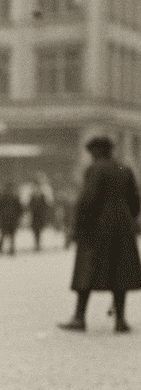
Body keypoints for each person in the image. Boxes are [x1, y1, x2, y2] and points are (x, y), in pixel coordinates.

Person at [59, 135, 141, 333]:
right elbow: (136, 200)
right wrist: (126, 218)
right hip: (122, 228)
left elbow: (87, 200)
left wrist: (77, 228)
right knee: (119, 272)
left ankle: (79, 318)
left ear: (96, 151)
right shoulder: (125, 169)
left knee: (86, 272)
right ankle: (120, 320)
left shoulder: (95, 169)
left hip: (96, 229)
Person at [0, 184, 22, 255]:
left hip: (12, 219)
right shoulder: (2, 198)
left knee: (12, 235)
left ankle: (11, 249)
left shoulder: (15, 198)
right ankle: (0, 247)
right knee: (3, 234)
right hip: (4, 219)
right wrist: (0, 215)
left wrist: (18, 217)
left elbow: (19, 208)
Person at [28, 182, 50, 252]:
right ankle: (37, 244)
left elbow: (46, 206)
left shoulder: (42, 197)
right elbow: (30, 206)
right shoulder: (32, 197)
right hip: (34, 217)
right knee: (35, 231)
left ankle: (38, 244)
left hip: (40, 217)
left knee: (39, 231)